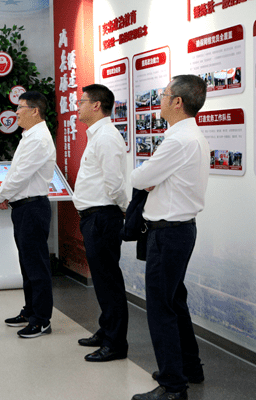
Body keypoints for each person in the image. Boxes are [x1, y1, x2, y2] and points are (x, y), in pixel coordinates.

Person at [130, 75, 208, 400]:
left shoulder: (178, 140)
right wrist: (152, 179)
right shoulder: (192, 135)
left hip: (168, 234)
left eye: (163, 94)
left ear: (177, 102)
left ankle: (173, 385)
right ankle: (189, 367)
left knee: (161, 308)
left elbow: (140, 177)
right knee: (175, 300)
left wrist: (148, 178)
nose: (159, 99)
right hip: (180, 230)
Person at [72, 84, 129, 362]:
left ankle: (115, 343)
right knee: (103, 280)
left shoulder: (106, 137)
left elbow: (115, 183)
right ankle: (107, 330)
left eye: (82, 101)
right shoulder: (97, 135)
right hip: (95, 217)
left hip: (103, 217)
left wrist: (124, 210)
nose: (78, 106)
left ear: (96, 105)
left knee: (109, 281)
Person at [0, 91, 56, 339]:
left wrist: (0, 196)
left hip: (32, 208)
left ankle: (41, 320)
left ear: (35, 111)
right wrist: (6, 195)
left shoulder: (38, 139)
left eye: (20, 107)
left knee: (36, 266)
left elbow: (20, 175)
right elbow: (16, 171)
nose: (16, 112)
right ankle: (30, 311)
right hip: (24, 207)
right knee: (27, 264)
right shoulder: (30, 136)